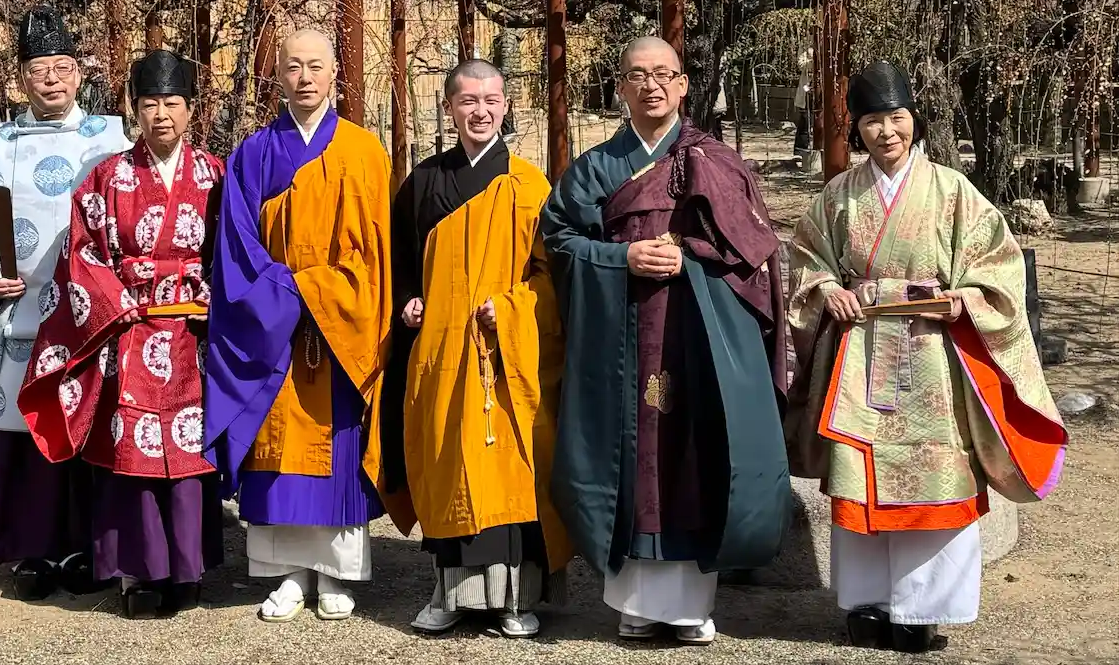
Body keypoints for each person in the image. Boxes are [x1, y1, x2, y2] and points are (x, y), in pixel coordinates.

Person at [786, 60, 1066, 653]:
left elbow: (998, 265)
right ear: (856, 128)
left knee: (937, 478)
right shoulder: (838, 195)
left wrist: (966, 298)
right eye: (872, 121)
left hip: (931, 354)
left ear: (914, 118)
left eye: (896, 117)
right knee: (860, 475)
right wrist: (827, 289)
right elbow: (807, 260)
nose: (886, 132)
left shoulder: (952, 190)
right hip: (860, 352)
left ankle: (922, 609)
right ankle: (865, 604)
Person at [539, 35, 790, 647]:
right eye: (637, 75)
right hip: (621, 337)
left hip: (698, 337)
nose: (650, 85)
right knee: (630, 459)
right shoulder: (597, 167)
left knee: (695, 454)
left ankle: (691, 606)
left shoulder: (718, 163)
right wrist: (621, 257)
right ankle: (634, 605)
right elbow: (559, 240)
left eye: (662, 74)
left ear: (682, 85)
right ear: (620, 88)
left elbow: (753, 255)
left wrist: (692, 258)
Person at [0, 5, 131, 599]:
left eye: (62, 67)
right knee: (24, 434)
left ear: (79, 74)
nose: (51, 79)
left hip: (90, 318)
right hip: (20, 317)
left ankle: (90, 548)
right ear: (20, 78)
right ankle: (33, 552)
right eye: (39, 69)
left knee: (90, 424)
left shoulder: (112, 141)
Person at [19, 50, 225, 617]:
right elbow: (81, 254)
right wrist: (117, 306)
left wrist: (214, 301)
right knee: (131, 456)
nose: (162, 115)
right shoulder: (108, 177)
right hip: (128, 332)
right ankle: (138, 574)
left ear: (191, 109)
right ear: (134, 109)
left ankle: (187, 569)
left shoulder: (215, 174)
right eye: (150, 104)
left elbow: (234, 252)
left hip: (192, 335)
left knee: (187, 454)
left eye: (173, 103)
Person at [204, 28, 393, 623]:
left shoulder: (364, 151)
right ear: (277, 74)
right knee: (277, 448)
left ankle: (336, 573)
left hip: (341, 328)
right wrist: (289, 293)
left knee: (337, 449)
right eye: (292, 66)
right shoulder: (253, 154)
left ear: (335, 72)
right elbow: (236, 249)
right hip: (275, 327)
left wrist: (325, 293)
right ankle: (286, 574)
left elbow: (377, 254)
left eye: (315, 65)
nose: (304, 78)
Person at [382, 60, 570, 639]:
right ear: (449, 108)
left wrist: (513, 306)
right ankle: (449, 595)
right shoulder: (422, 183)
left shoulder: (529, 186)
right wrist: (408, 302)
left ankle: (515, 600)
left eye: (491, 100)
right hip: (443, 355)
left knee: (509, 472)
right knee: (447, 468)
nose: (480, 111)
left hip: (504, 356)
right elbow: (399, 265)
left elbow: (551, 276)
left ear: (506, 106)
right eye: (468, 101)